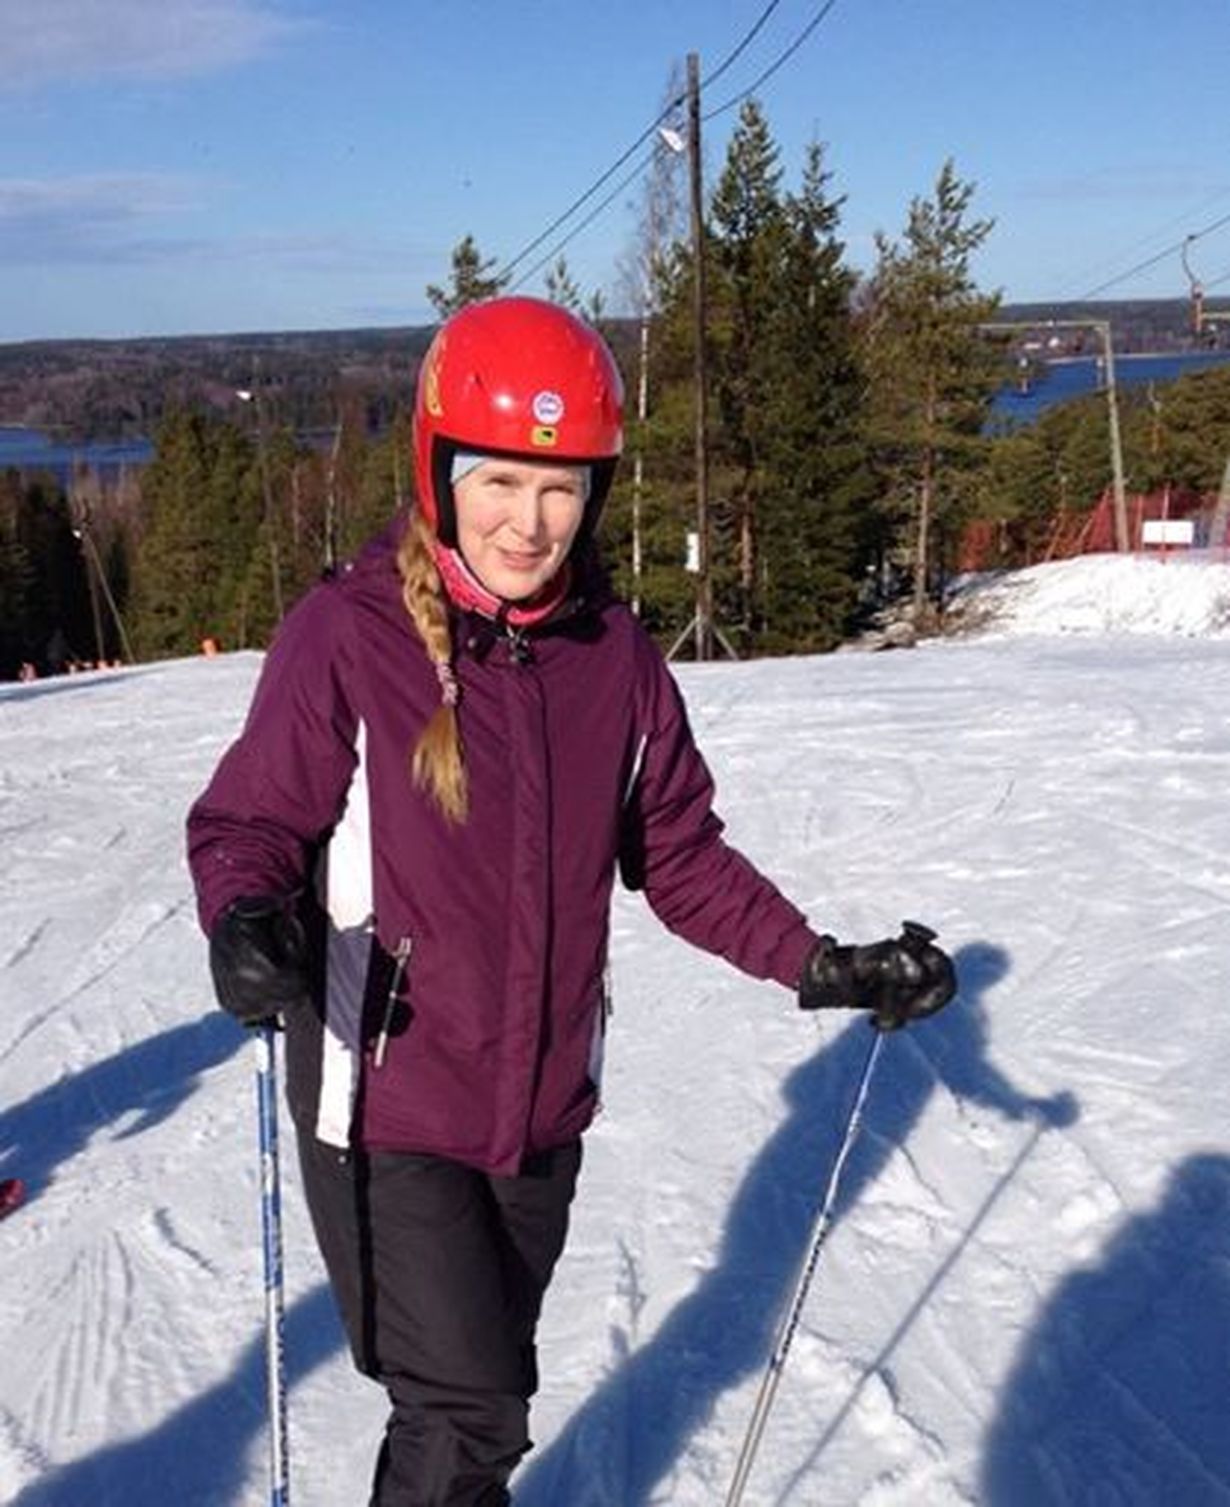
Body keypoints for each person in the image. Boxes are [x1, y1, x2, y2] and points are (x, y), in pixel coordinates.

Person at [187, 296, 956, 1507]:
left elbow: (680, 854)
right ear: (440, 470)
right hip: (384, 1101)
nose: (529, 522)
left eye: (561, 488)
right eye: (499, 482)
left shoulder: (617, 659)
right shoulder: (349, 634)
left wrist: (822, 963)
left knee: (468, 1413)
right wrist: (244, 915)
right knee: (470, 1412)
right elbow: (249, 823)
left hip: (540, 1107)